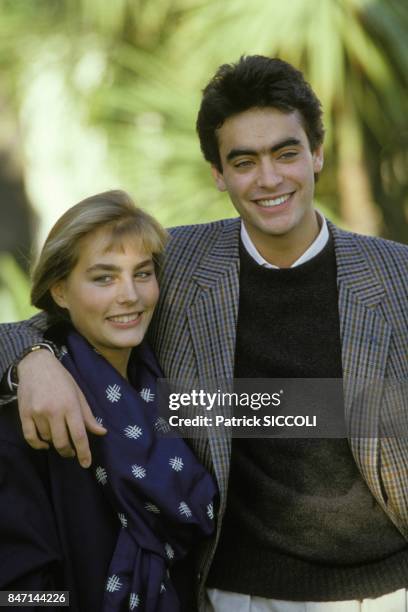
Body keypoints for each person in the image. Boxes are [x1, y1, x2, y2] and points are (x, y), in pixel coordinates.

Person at [1, 56, 408, 611]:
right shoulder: (178, 265)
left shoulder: (396, 276)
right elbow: (71, 310)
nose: (268, 178)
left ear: (317, 153)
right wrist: (32, 359)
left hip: (386, 589)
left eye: (286, 152)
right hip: (232, 591)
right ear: (219, 174)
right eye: (244, 161)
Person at [0, 190, 216, 611]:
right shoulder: (31, 411)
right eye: (104, 278)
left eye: (142, 273)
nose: (130, 295)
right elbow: (16, 588)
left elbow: (305, 414)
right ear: (60, 292)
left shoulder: (167, 385)